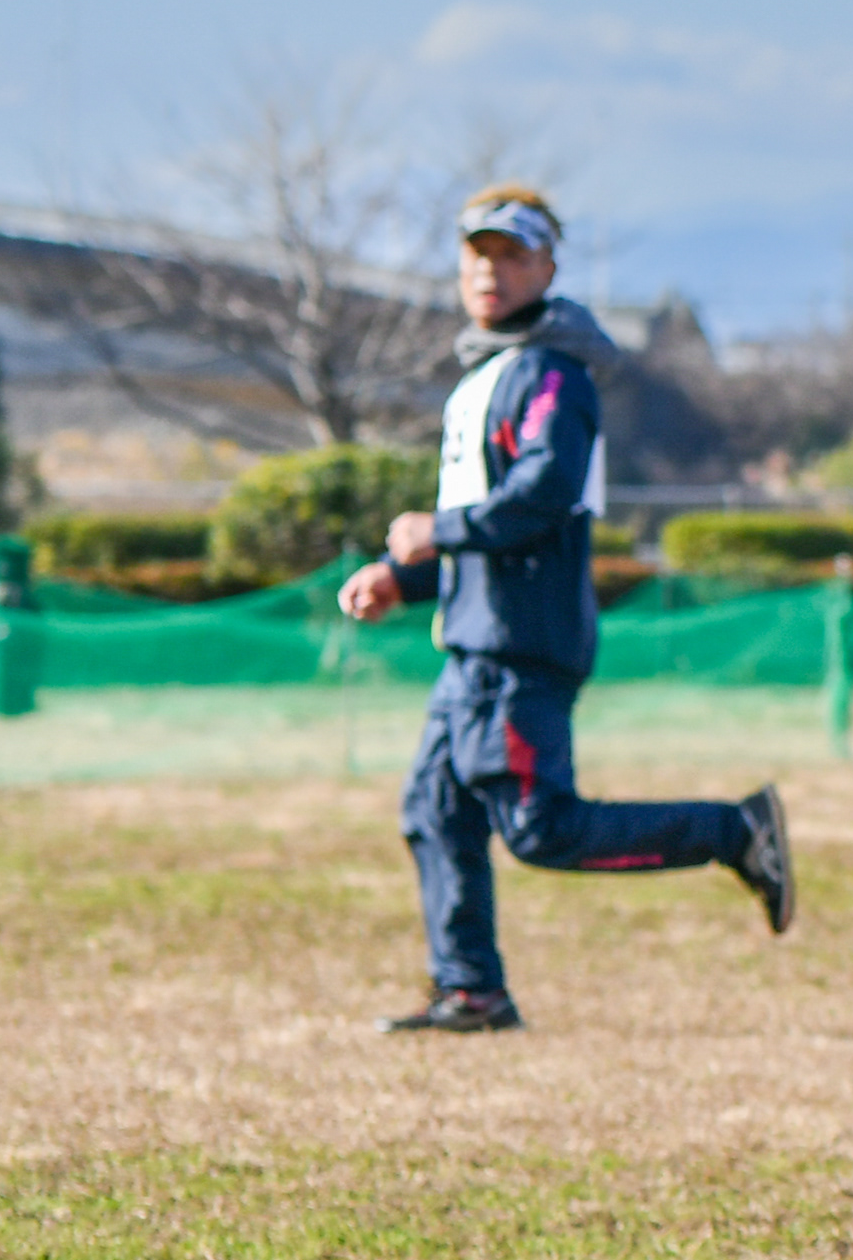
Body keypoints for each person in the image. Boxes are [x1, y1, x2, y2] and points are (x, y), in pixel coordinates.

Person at [339, 186, 797, 1032]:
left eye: (513, 255)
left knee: (541, 830)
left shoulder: (553, 373)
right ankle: (471, 991)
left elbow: (543, 495)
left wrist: (434, 534)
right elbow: (489, 529)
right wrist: (405, 579)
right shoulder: (484, 375)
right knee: (433, 812)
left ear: (548, 268)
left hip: (520, 648)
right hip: (473, 647)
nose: (492, 271)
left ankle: (734, 831)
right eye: (479, 254)